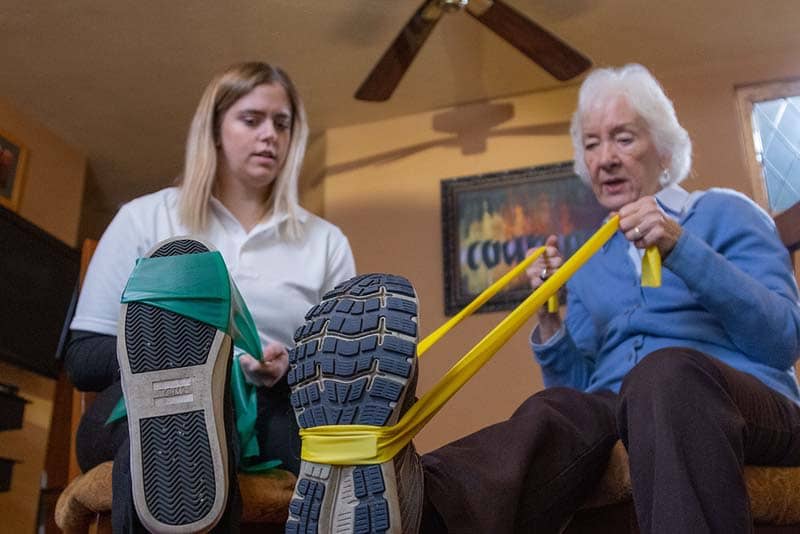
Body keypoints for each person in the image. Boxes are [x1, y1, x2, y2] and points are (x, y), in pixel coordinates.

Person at [284, 64, 800, 534]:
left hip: (746, 406)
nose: (606, 158)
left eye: (623, 138)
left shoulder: (724, 212)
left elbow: (781, 339)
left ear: (664, 151)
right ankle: (417, 509)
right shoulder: (588, 260)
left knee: (664, 375)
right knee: (556, 410)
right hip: (626, 406)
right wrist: (551, 324)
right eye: (593, 145)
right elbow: (579, 387)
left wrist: (680, 246)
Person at [66, 61, 356, 532]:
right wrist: (201, 354)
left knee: (314, 438)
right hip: (140, 401)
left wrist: (287, 366)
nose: (270, 136)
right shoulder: (145, 219)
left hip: (276, 403)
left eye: (282, 124)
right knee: (178, 420)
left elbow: (336, 363)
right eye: (252, 119)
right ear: (215, 129)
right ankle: (189, 406)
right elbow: (83, 359)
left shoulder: (325, 241)